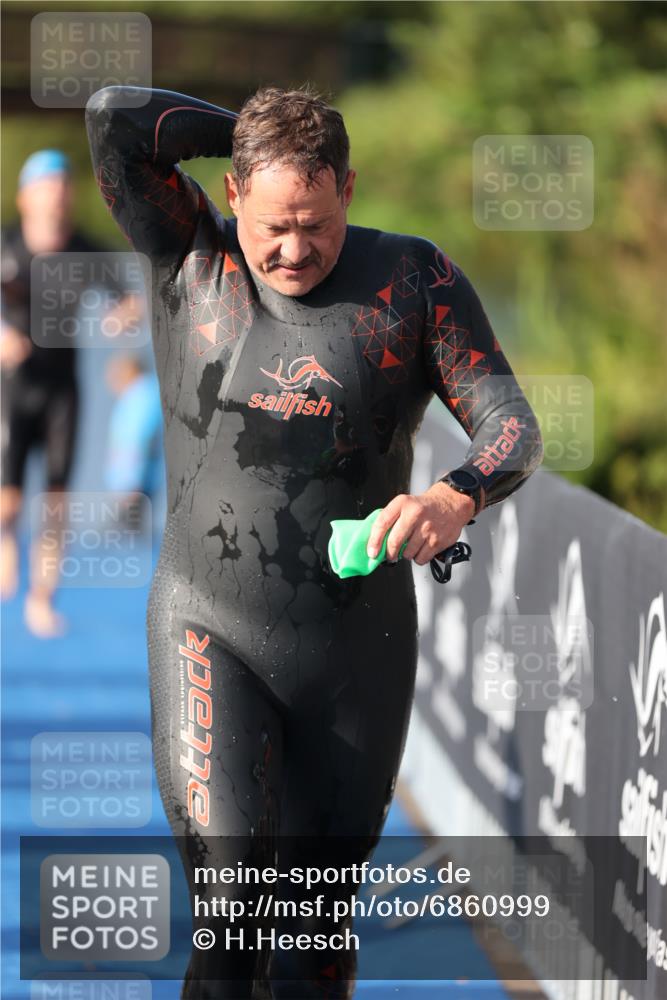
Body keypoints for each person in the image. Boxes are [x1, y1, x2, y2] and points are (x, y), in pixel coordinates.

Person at [85, 84, 543, 998]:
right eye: (272, 225)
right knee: (234, 918)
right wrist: (252, 135)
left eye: (317, 221)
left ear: (350, 189)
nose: (293, 249)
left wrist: (456, 496)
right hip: (209, 628)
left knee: (312, 934)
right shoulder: (193, 254)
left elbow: (512, 425)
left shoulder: (412, 281)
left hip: (355, 651)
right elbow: (112, 118)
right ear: (237, 196)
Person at [0, 150, 143, 637]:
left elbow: (130, 299)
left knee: (56, 502)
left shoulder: (84, 251)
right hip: (12, 387)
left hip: (63, 389)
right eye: (46, 185)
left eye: (63, 185)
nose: (56, 194)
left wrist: (125, 316)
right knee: (9, 504)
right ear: (25, 197)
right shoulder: (7, 245)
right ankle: (5, 544)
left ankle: (41, 599)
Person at [104, 353, 164, 529]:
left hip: (134, 485)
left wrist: (131, 482)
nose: (110, 381)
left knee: (129, 537)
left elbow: (139, 440)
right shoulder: (139, 395)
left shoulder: (141, 396)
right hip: (135, 482)